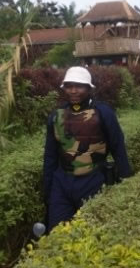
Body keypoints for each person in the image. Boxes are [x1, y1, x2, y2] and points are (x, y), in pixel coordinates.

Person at [43, 66, 132, 232]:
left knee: (91, 232)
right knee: (57, 232)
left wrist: (127, 181)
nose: (73, 91)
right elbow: (50, 156)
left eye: (79, 86)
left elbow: (118, 147)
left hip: (94, 180)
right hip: (62, 183)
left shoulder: (103, 112)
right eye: (69, 86)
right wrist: (47, 191)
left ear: (89, 88)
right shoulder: (56, 116)